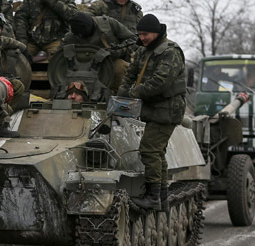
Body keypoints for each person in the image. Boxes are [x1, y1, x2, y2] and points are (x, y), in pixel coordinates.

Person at [117, 14, 187, 210]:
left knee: (149, 150)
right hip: (154, 109)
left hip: (167, 109)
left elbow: (160, 82)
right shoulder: (143, 51)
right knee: (157, 152)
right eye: (139, 34)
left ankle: (153, 197)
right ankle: (161, 197)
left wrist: (133, 93)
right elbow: (130, 74)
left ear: (156, 32)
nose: (142, 38)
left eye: (145, 34)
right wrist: (121, 96)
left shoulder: (170, 52)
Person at [63, 11, 137, 90]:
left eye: (83, 34)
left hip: (111, 62)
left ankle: (116, 95)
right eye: (79, 35)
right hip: (84, 67)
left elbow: (133, 39)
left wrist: (120, 51)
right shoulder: (72, 36)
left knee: (120, 67)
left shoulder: (109, 24)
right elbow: (58, 57)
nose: (81, 36)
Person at [14, 0, 78, 57]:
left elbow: (73, 16)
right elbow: (21, 17)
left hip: (56, 39)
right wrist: (22, 39)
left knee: (58, 60)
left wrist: (54, 2)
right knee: (20, 58)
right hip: (32, 40)